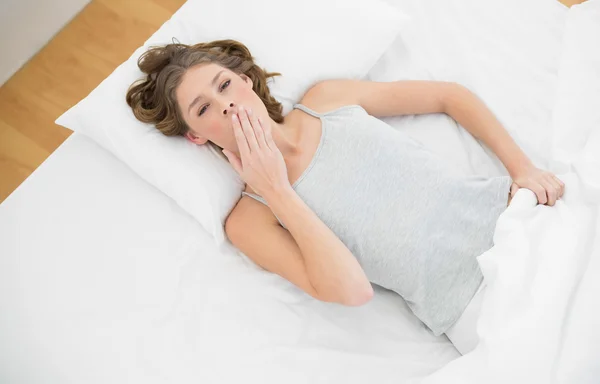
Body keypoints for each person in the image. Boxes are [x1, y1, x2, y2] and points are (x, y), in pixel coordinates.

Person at [126, 39, 565, 354]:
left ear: (245, 82)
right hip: (477, 310)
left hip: (517, 222)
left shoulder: (326, 100)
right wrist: (277, 190)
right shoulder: (249, 220)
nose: (223, 105)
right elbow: (351, 291)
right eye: (202, 109)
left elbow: (448, 96)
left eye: (223, 86)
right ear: (196, 138)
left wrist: (522, 169)